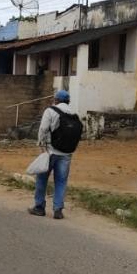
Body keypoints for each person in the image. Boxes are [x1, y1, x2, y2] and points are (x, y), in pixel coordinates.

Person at [30, 89, 82, 220]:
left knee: (42, 178)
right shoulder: (74, 113)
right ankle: (58, 209)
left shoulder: (50, 111)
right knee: (61, 181)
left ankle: (39, 207)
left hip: (50, 151)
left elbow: (43, 129)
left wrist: (41, 144)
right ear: (68, 101)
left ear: (56, 100)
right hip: (67, 153)